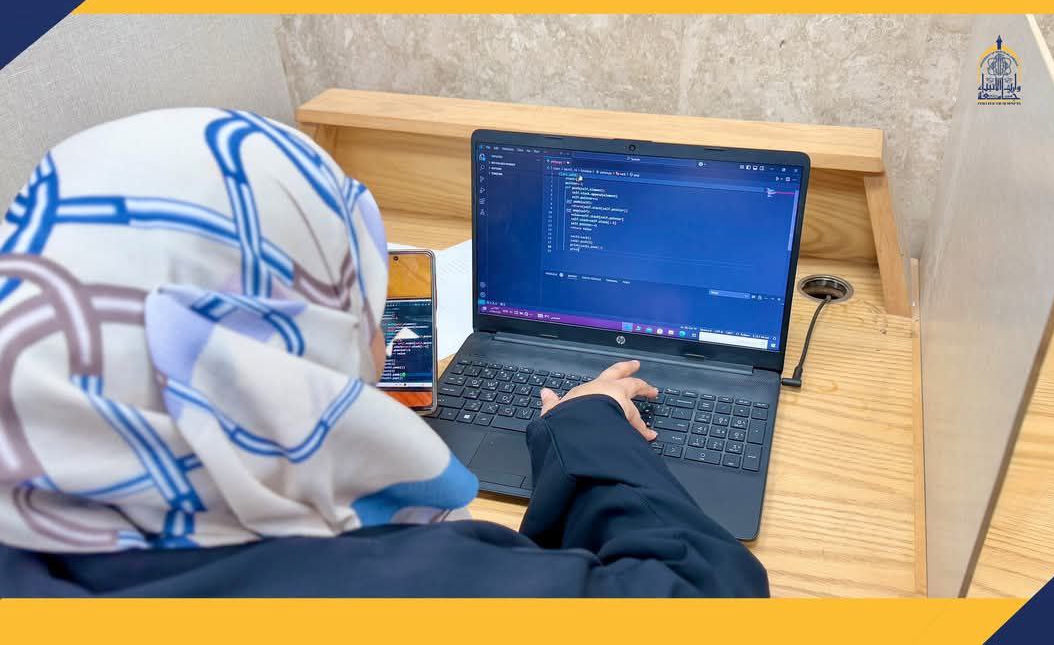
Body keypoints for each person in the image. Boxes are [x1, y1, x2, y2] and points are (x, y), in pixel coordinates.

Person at [0, 109, 768, 597]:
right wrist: (587, 423)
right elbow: (714, 593)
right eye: (358, 298)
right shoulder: (388, 588)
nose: (378, 335)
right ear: (265, 355)